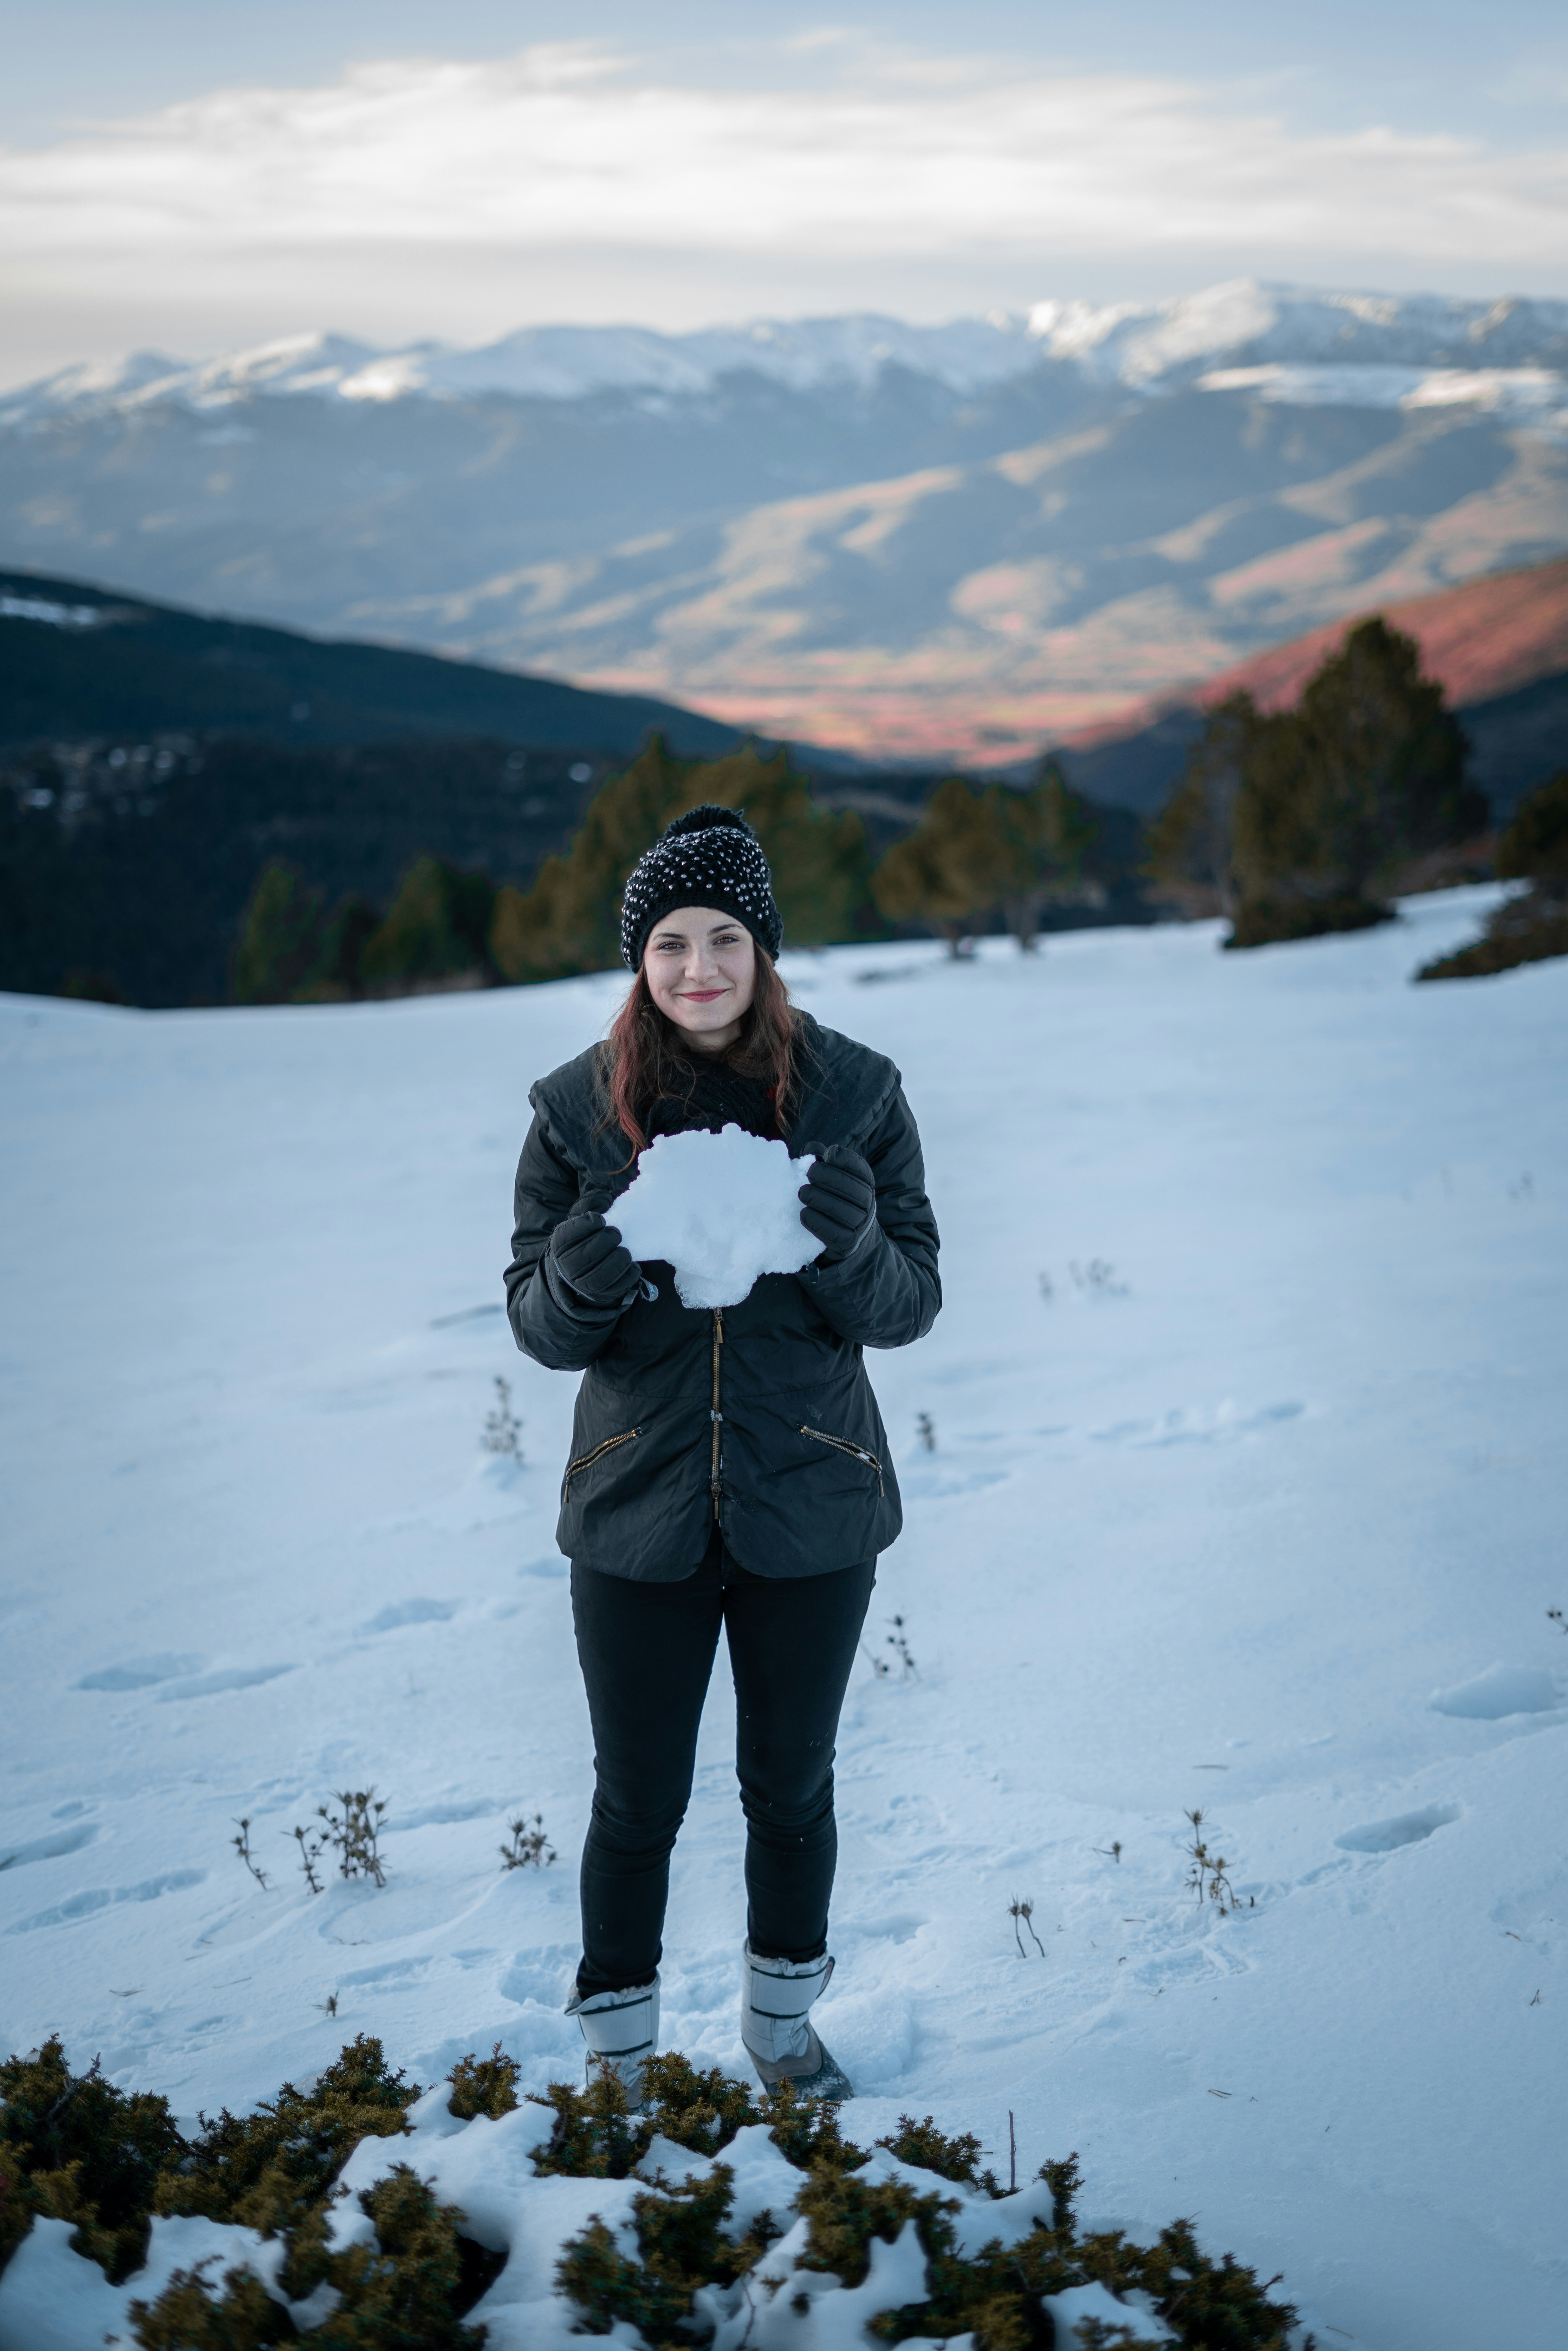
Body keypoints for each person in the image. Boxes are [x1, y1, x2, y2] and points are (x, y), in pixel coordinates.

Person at [505, 804, 940, 2103]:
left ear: (765, 948)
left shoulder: (855, 1093)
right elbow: (537, 1323)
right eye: (671, 944)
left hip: (809, 1502)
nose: (699, 968)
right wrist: (582, 1274)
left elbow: (910, 1301)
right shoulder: (579, 1113)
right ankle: (622, 2062)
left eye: (726, 939)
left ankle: (783, 2034)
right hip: (636, 1510)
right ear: (639, 959)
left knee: (790, 1790)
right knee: (635, 1803)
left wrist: (856, 1244)